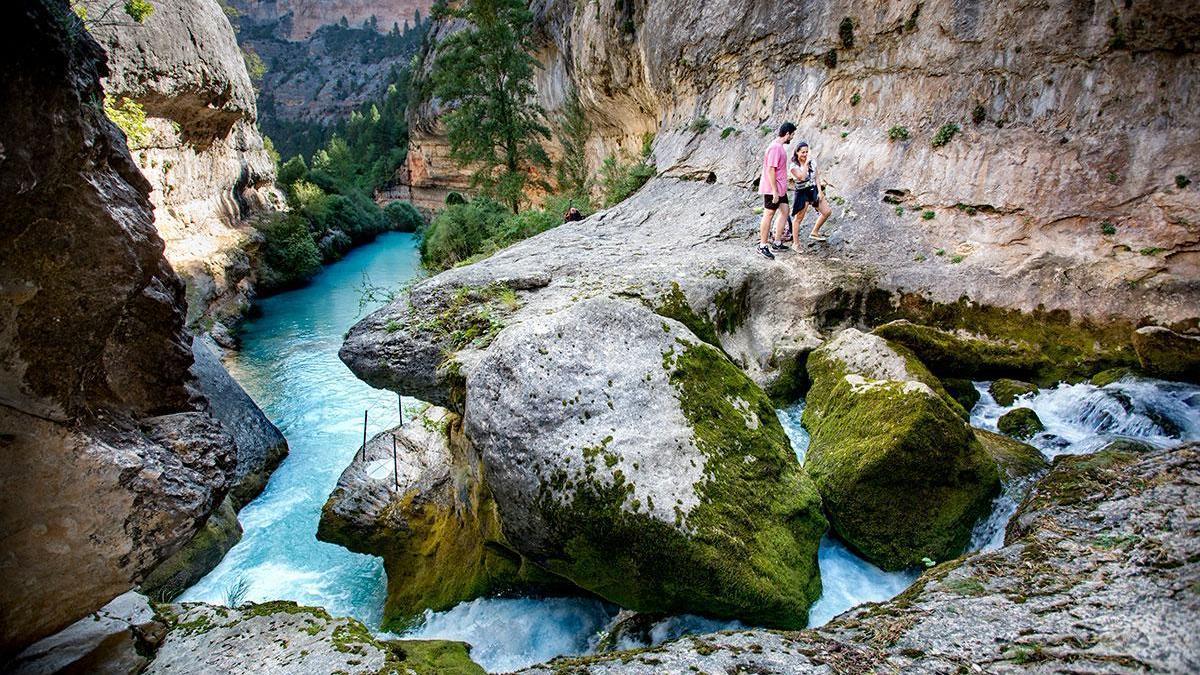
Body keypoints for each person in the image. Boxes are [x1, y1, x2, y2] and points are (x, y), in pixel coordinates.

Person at [756, 122, 796, 259]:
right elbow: (771, 170)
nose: (792, 137)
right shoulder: (775, 148)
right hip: (772, 188)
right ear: (787, 134)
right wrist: (774, 191)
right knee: (769, 214)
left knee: (785, 211)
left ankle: (777, 242)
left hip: (780, 188)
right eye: (792, 135)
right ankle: (762, 246)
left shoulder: (779, 147)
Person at [788, 141, 833, 242]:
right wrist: (806, 164)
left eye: (807, 152)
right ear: (797, 153)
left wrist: (820, 191)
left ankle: (814, 232)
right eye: (802, 152)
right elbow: (802, 177)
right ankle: (796, 243)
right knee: (799, 218)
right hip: (802, 193)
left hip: (813, 189)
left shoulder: (812, 162)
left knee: (827, 211)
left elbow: (816, 176)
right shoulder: (793, 166)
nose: (805, 154)